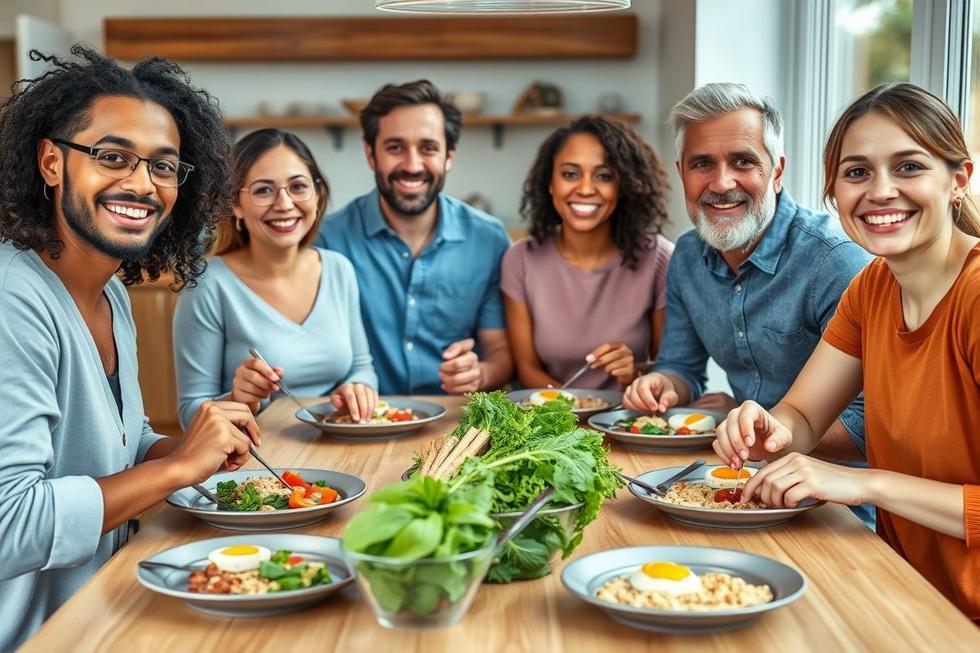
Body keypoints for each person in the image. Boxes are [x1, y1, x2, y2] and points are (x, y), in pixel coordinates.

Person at [0, 46, 260, 649]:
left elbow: (121, 445)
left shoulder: (111, 293)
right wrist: (176, 468)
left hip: (106, 604)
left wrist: (190, 444)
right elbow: (10, 525)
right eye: (112, 157)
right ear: (51, 163)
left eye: (164, 167)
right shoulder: (14, 299)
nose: (142, 184)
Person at [715, 82, 980, 621]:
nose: (880, 191)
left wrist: (863, 482)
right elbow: (805, 415)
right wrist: (769, 427)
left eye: (908, 167)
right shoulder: (874, 287)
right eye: (857, 172)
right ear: (833, 193)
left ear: (958, 180)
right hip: (905, 591)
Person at [621, 83, 874, 526]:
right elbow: (682, 366)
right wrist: (664, 383)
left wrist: (768, 435)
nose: (721, 183)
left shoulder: (834, 261)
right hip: (738, 484)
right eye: (703, 164)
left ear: (777, 171)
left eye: (743, 161)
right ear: (682, 173)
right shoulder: (686, 256)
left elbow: (871, 425)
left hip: (841, 509)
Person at [315, 80, 513, 395]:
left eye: (428, 148)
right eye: (395, 147)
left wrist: (480, 374)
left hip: (454, 426)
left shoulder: (488, 239)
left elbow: (500, 352)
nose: (412, 165)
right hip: (359, 426)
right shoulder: (326, 240)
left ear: (449, 155)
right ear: (371, 155)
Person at [173, 129, 378, 428]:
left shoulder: (338, 269)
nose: (284, 204)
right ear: (235, 205)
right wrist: (238, 399)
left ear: (317, 195)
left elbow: (362, 367)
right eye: (263, 190)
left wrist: (358, 389)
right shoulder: (207, 284)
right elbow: (190, 413)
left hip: (337, 447)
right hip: (256, 462)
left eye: (298, 186)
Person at [503, 115, 673, 390]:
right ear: (550, 183)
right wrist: (570, 411)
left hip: (628, 422)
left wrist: (634, 373)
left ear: (624, 185)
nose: (584, 188)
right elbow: (526, 369)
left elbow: (671, 371)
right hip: (553, 422)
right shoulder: (520, 259)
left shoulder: (659, 258)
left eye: (604, 176)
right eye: (570, 174)